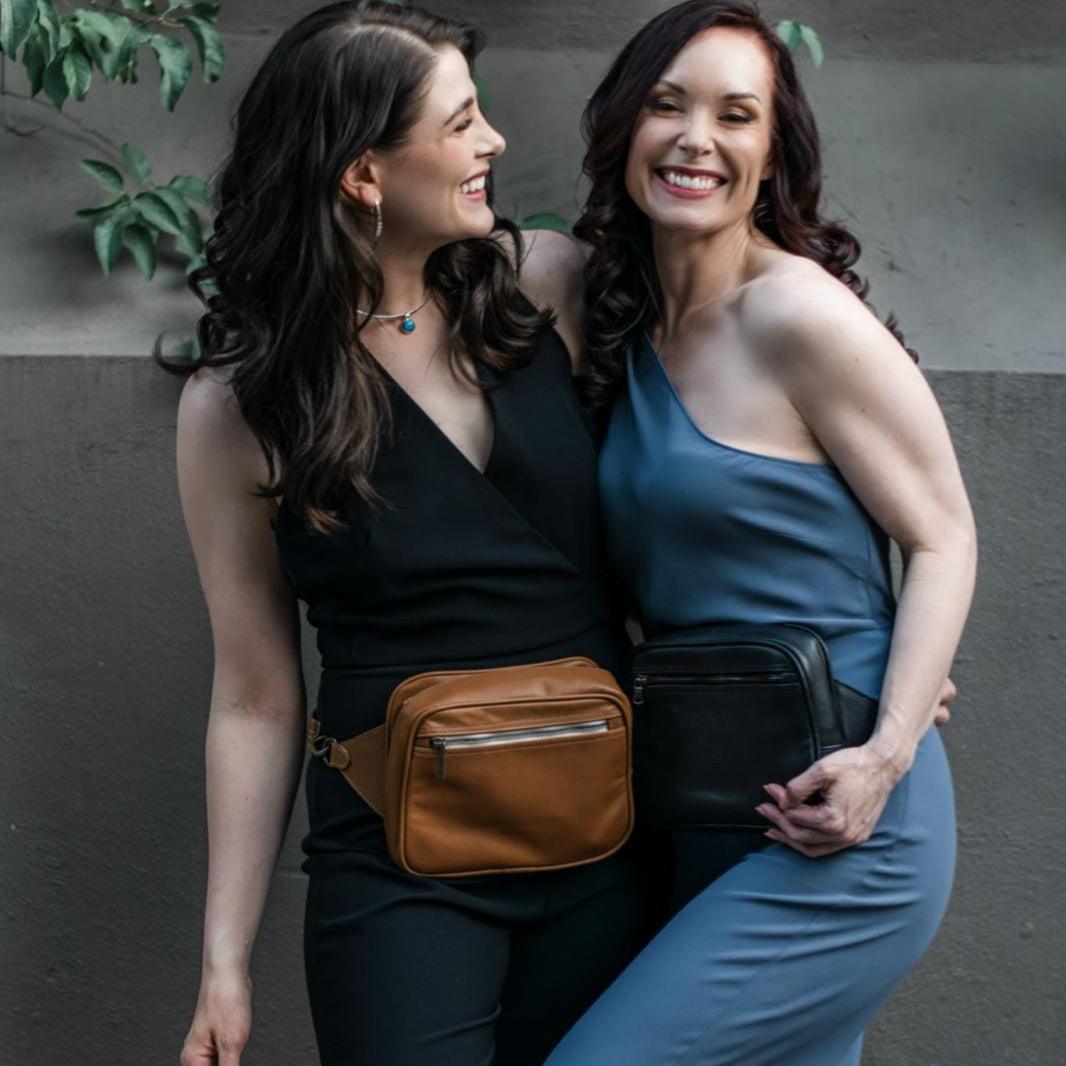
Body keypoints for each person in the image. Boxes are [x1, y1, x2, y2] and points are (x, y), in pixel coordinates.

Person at [162, 4, 663, 1065]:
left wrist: (865, 631)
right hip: (397, 868)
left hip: (607, 831)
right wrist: (223, 959)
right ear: (363, 175)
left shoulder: (547, 287)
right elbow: (253, 694)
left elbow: (723, 444)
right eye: (462, 121)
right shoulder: (238, 406)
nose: (495, 143)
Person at [541, 2, 978, 1063]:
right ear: (622, 126)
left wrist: (886, 748)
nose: (697, 138)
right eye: (667, 105)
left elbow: (943, 537)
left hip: (845, 819)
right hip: (708, 797)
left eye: (736, 115)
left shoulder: (799, 314)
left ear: (771, 153)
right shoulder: (625, 325)